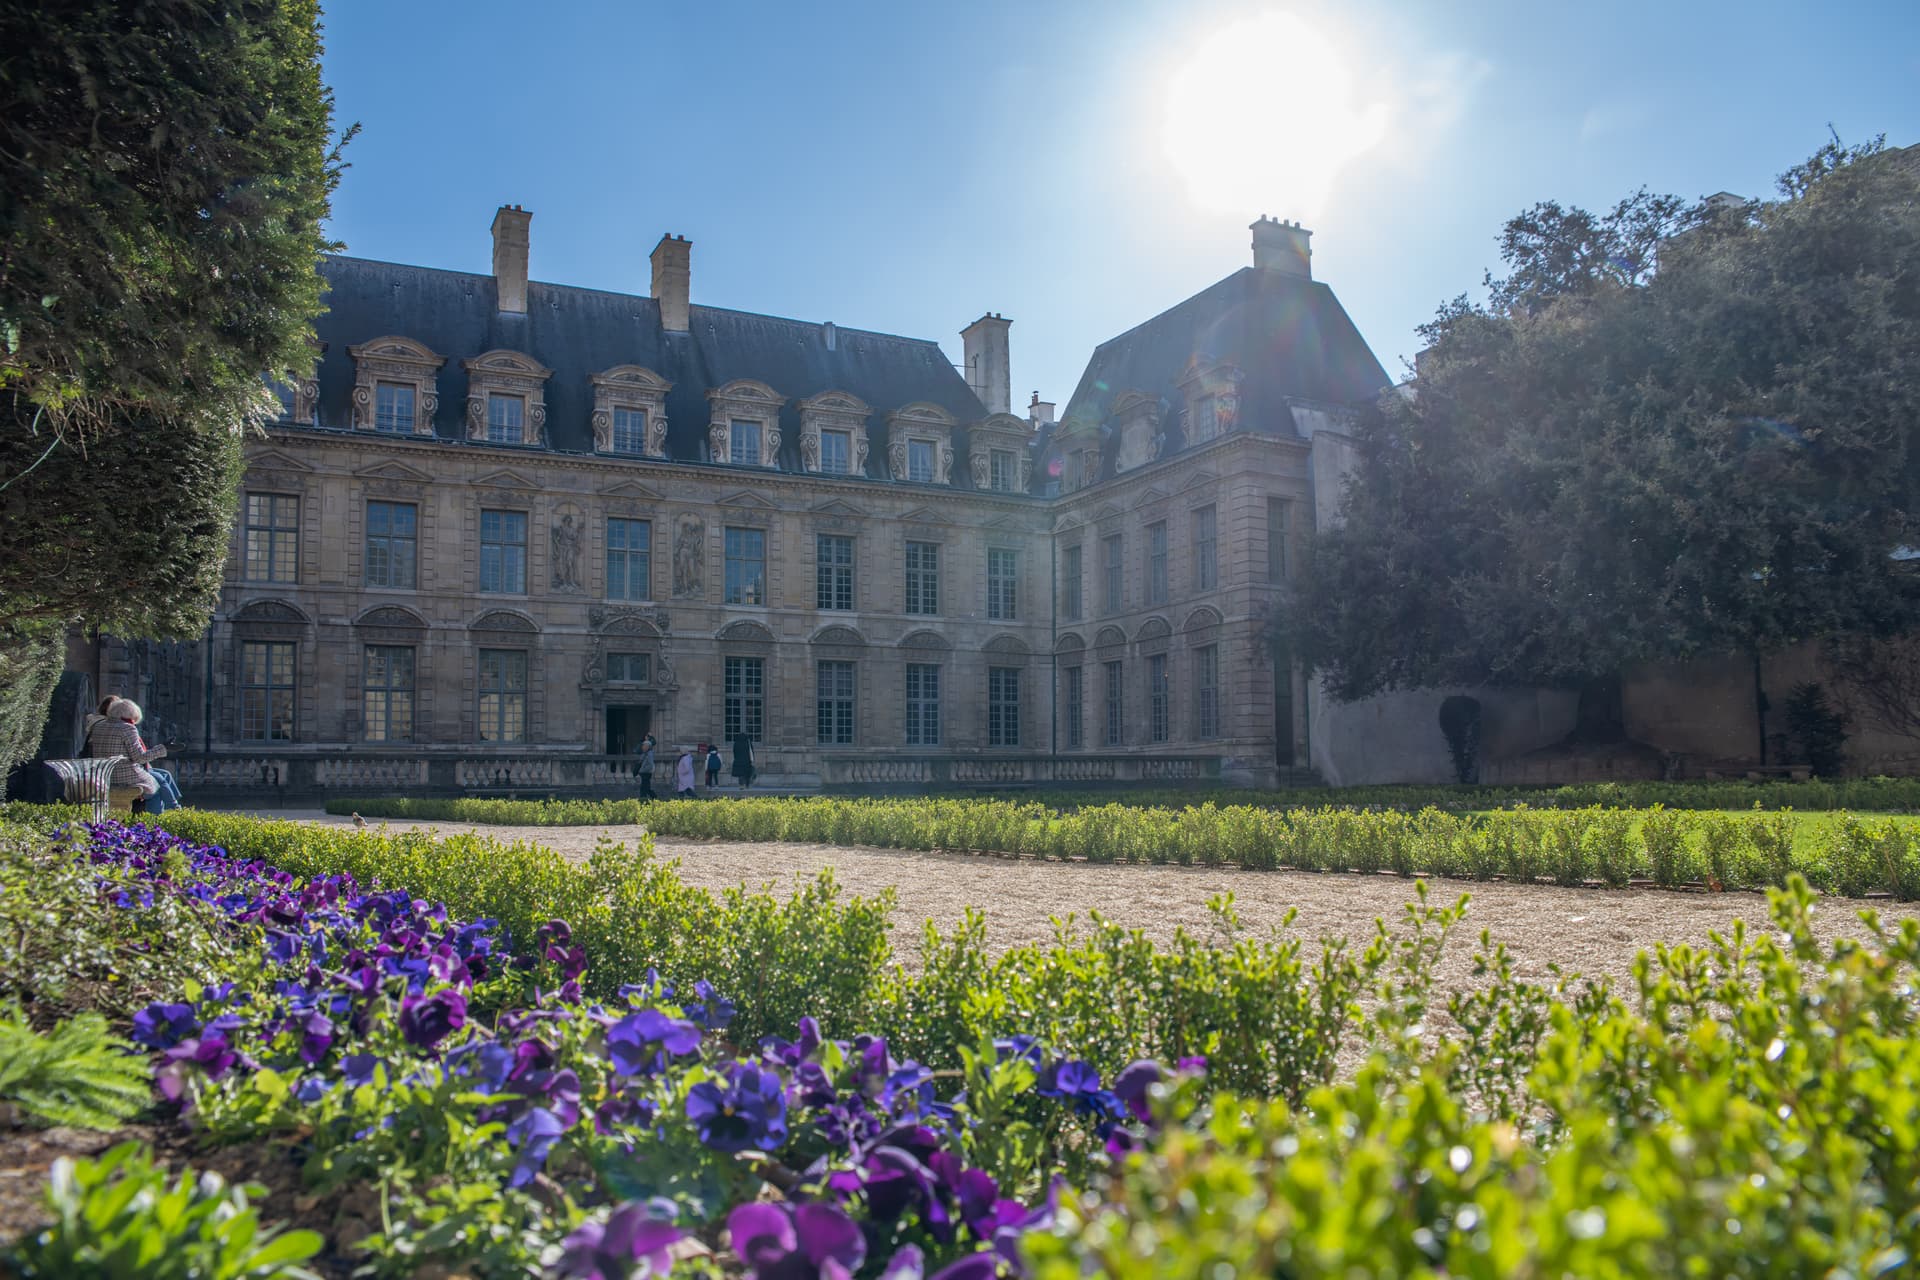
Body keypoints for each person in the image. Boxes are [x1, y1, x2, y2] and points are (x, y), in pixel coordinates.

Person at [85, 698, 168, 815]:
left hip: (105, 775)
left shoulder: (98, 726)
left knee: (156, 779)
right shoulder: (127, 728)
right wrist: (163, 749)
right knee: (155, 787)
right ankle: (154, 822)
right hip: (124, 776)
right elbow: (139, 757)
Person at [637, 734, 656, 800]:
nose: (643, 747)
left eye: (644, 746)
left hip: (646, 773)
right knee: (645, 787)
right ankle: (646, 798)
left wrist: (643, 770)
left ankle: (649, 798)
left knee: (644, 788)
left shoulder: (649, 754)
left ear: (647, 747)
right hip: (645, 773)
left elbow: (650, 765)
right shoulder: (645, 753)